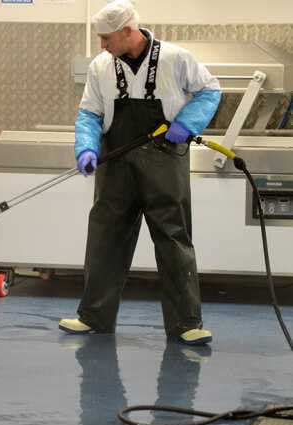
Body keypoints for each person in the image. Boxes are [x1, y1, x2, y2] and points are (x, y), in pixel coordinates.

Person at [59, 0, 221, 345]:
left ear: (128, 32)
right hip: (116, 161)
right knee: (106, 237)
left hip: (164, 158)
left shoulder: (175, 58)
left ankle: (186, 324)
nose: (102, 45)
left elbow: (210, 90)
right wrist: (86, 147)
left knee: (172, 237)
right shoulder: (101, 66)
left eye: (107, 38)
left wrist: (187, 124)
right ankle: (93, 317)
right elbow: (89, 113)